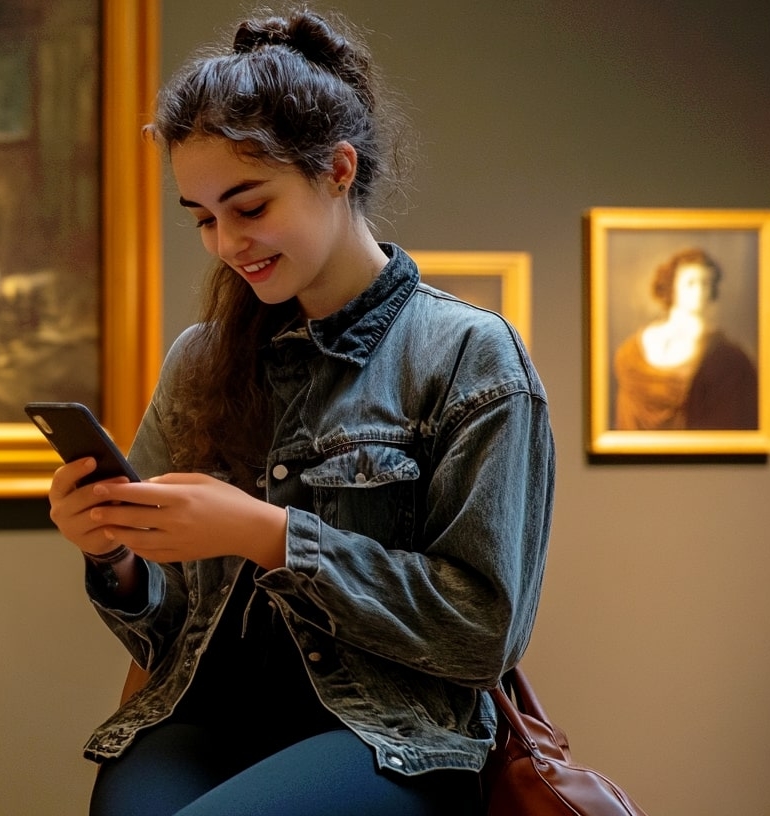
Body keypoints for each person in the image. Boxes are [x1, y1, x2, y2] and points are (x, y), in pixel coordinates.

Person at [45, 9, 554, 816]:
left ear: (338, 170)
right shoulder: (201, 359)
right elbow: (166, 630)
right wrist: (113, 554)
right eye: (203, 218)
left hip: (390, 737)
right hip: (205, 716)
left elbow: (482, 631)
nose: (225, 243)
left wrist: (271, 535)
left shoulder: (469, 355)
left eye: (249, 207)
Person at [612, 247, 758, 430]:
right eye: (691, 283)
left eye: (706, 283)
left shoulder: (726, 357)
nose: (699, 290)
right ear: (672, 286)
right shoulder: (633, 349)